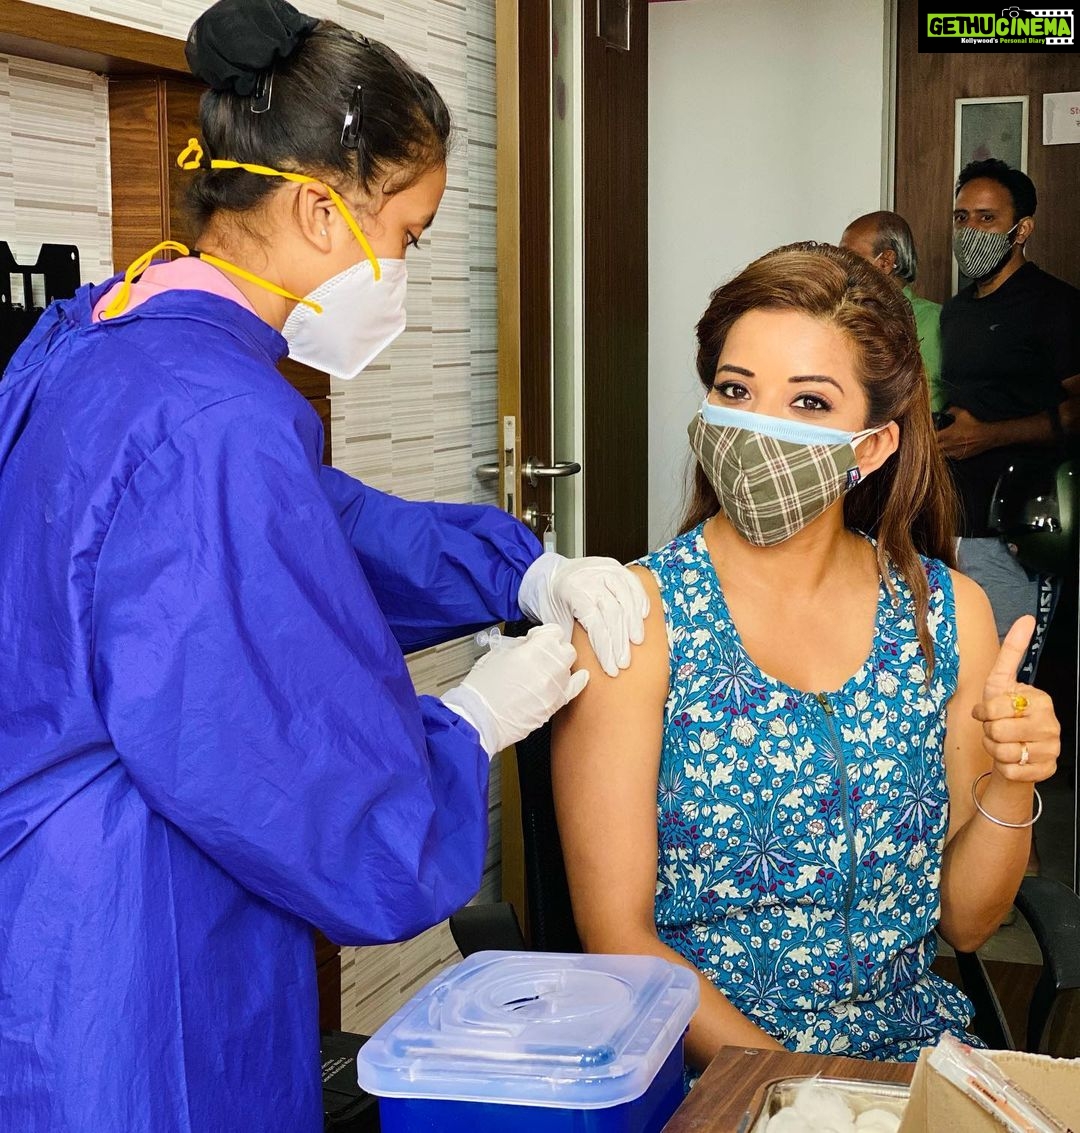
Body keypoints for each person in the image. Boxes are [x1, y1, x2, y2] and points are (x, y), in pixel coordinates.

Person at [0, 1, 649, 1130]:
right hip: (138, 937)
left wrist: (517, 569)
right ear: (317, 207)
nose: (400, 267)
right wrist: (465, 729)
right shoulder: (219, 418)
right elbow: (278, 760)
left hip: (49, 908)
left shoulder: (102, 341)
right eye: (408, 234)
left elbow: (310, 527)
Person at [552, 243, 1060, 1072]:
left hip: (906, 1064)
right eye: (736, 390)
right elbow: (619, 933)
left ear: (873, 445)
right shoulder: (634, 620)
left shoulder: (946, 613)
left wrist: (1013, 774)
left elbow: (966, 923)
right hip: (708, 1067)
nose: (760, 426)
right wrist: (803, 1094)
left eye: (810, 401)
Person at [938, 159, 1080, 676]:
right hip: (950, 525)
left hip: (1019, 531)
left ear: (1022, 229)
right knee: (952, 674)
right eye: (961, 218)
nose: (970, 230)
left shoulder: (1057, 305)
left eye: (986, 218)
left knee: (1004, 677)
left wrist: (987, 437)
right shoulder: (956, 312)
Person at [840, 210, 944, 412]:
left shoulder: (935, 322)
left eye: (850, 257)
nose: (842, 266)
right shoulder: (845, 316)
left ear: (886, 261)